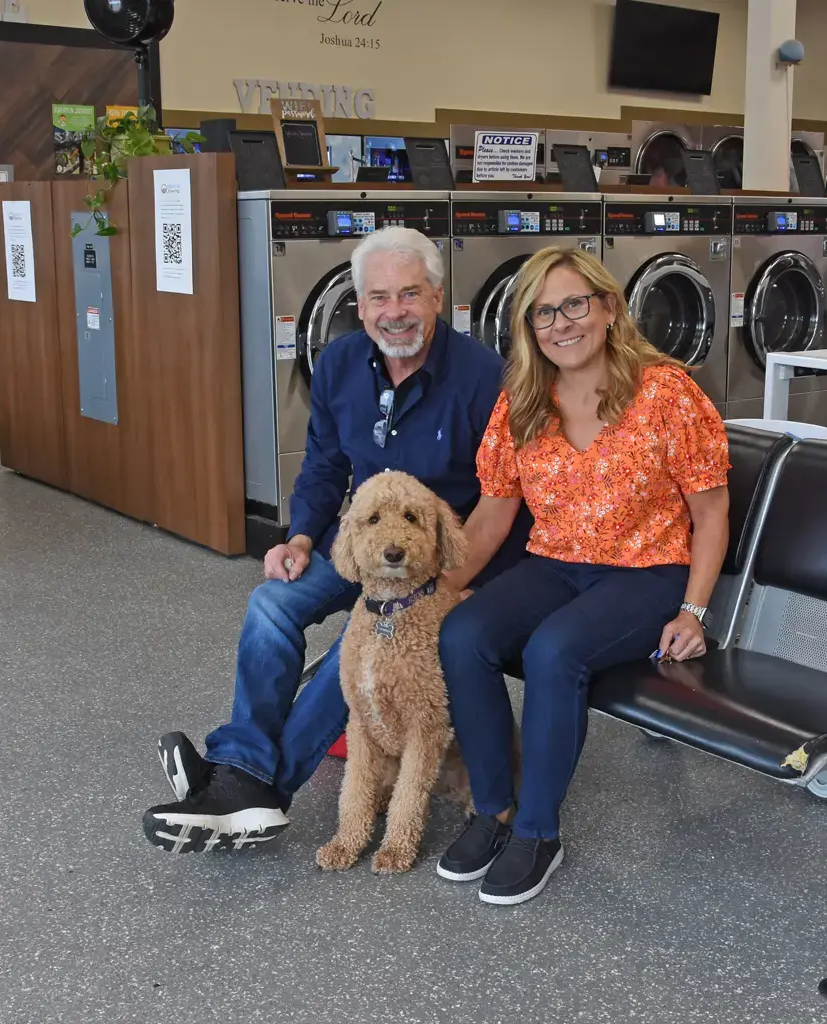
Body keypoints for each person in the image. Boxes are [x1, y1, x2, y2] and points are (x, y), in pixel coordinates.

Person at [143, 227, 527, 855]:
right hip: (366, 546)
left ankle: (255, 792)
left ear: (436, 296)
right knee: (271, 603)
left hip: (447, 561)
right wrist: (297, 539)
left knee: (363, 644)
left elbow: (499, 504)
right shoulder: (341, 363)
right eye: (378, 297)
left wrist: (432, 592)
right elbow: (324, 466)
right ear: (360, 302)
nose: (393, 312)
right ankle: (241, 765)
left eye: (409, 294)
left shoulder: (486, 379)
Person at [432, 246, 731, 905]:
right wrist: (434, 597)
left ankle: (538, 831)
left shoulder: (664, 393)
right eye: (543, 313)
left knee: (554, 651)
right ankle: (493, 810)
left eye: (573, 304)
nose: (560, 324)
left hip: (645, 573)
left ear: (608, 308)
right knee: (461, 634)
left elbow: (710, 512)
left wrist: (696, 612)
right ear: (527, 327)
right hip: (555, 564)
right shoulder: (523, 401)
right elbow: (489, 518)